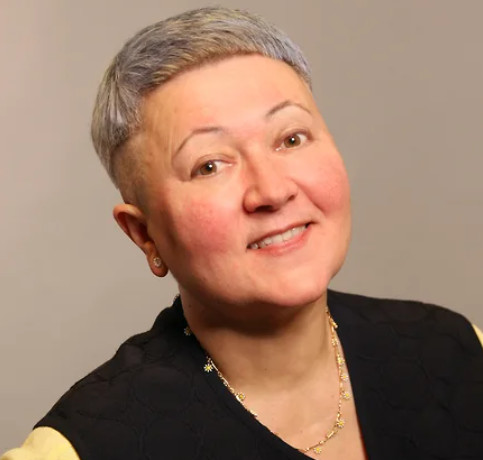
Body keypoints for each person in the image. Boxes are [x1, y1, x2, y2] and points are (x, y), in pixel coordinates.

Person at [3, 6, 483, 460]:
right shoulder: (83, 448)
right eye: (209, 165)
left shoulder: (460, 352)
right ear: (144, 234)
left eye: (290, 139)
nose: (272, 191)